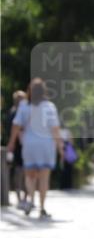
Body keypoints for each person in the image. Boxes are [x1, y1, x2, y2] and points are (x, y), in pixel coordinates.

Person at [6, 78, 63, 219]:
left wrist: (11, 143)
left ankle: (31, 199)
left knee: (29, 175)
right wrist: (60, 147)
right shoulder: (50, 107)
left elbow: (16, 126)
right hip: (46, 145)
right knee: (44, 177)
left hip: (29, 144)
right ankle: (42, 207)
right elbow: (55, 129)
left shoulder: (24, 106)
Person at [7, 91, 28, 209]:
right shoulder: (13, 112)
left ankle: (25, 197)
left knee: (27, 172)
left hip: (27, 145)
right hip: (17, 147)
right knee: (18, 171)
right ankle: (19, 197)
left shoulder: (26, 111)